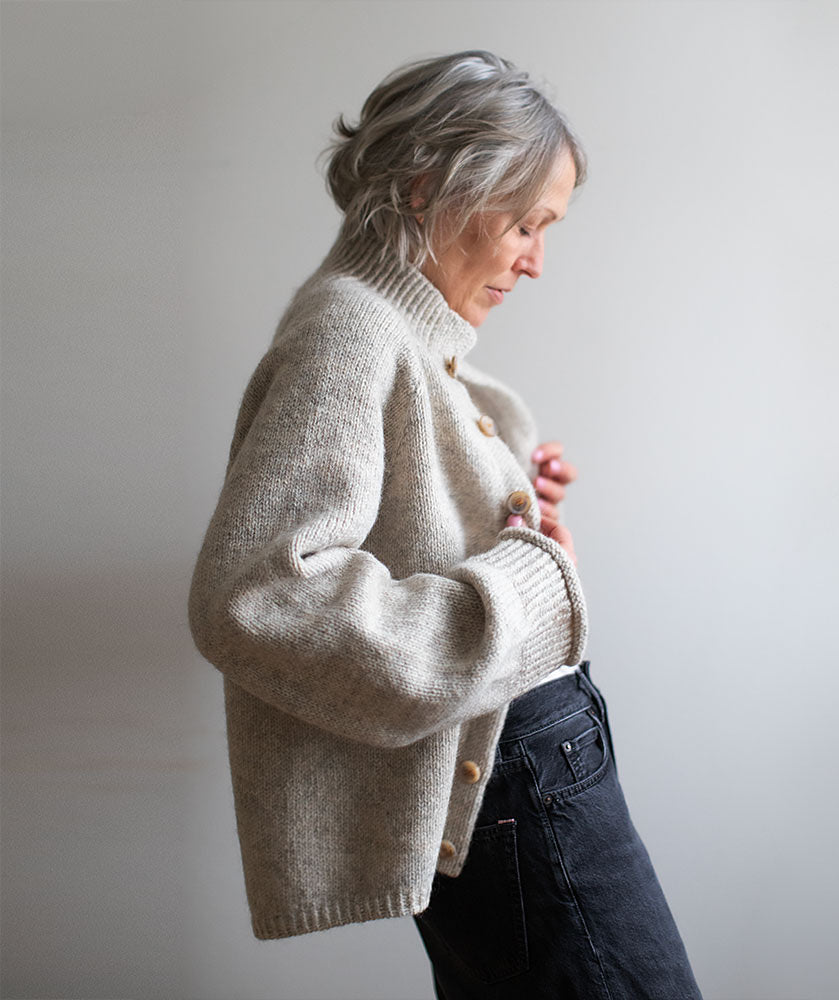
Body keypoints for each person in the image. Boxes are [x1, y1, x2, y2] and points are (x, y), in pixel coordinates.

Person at [187, 50, 702, 999]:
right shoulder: (352, 331)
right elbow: (256, 594)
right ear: (429, 186)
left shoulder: (395, 334)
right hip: (515, 781)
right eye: (525, 224)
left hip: (518, 768)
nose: (536, 262)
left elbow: (406, 534)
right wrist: (529, 586)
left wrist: (515, 521)